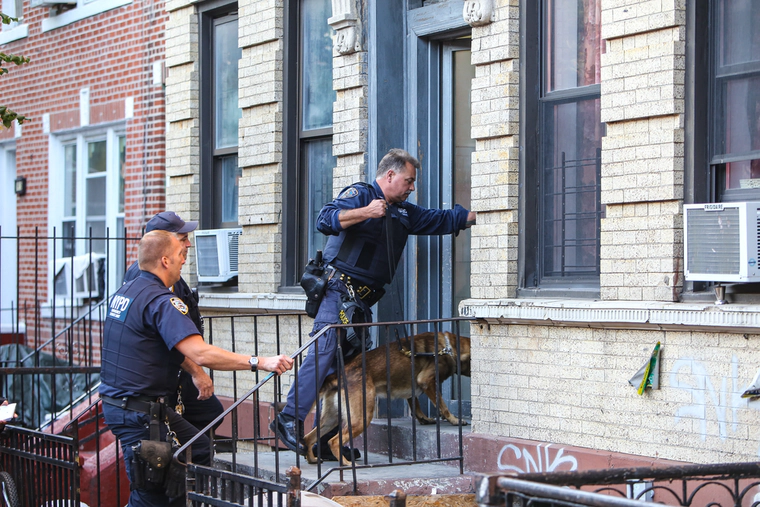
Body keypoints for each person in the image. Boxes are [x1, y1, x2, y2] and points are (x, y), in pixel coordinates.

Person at [270, 148, 476, 458]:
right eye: (408, 180)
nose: (412, 187)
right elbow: (325, 219)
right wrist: (366, 212)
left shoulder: (404, 211)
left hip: (361, 304)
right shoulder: (361, 194)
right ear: (390, 175)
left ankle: (325, 442)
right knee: (324, 354)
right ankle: (289, 418)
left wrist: (482, 213)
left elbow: (442, 219)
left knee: (346, 371)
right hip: (339, 293)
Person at [101, 230, 293, 507]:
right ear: (165, 260)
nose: (183, 261)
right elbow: (200, 352)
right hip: (139, 413)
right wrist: (260, 361)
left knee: (197, 449)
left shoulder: (126, 293)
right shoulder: (160, 301)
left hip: (127, 406)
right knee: (150, 495)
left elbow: (158, 348)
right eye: (181, 255)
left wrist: (195, 374)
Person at [123, 211, 223, 436]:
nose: (188, 244)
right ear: (163, 244)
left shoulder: (161, 275)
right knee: (201, 420)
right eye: (182, 238)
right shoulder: (149, 279)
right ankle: (187, 466)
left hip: (174, 370)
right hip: (164, 375)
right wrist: (197, 373)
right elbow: (167, 335)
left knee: (209, 414)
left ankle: (189, 462)